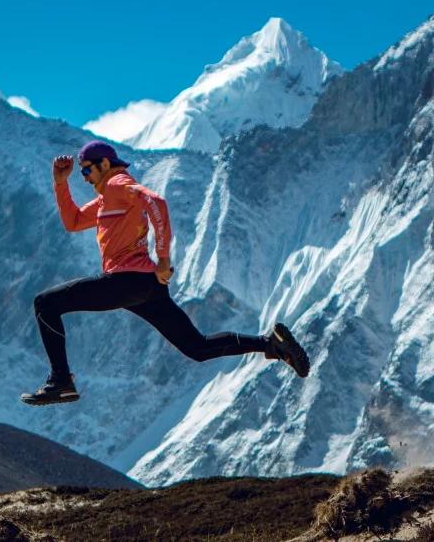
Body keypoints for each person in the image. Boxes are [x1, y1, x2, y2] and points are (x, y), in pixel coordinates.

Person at [21, 140, 310, 406]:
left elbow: (157, 203)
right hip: (145, 287)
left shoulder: (117, 185)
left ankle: (61, 381)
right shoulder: (105, 201)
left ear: (105, 165)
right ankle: (270, 343)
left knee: (46, 303)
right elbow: (72, 222)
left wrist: (163, 258)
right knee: (197, 347)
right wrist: (61, 183)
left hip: (127, 280)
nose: (84, 176)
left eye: (86, 170)